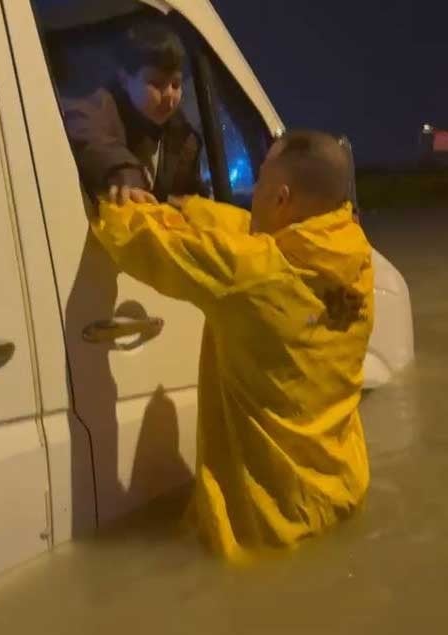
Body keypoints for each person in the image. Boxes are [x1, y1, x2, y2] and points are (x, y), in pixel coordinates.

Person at [91, 130, 374, 560]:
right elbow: (254, 230)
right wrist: (191, 208)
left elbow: (141, 244)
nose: (252, 192)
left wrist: (117, 203)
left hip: (269, 524)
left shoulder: (250, 274)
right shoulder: (355, 256)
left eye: (258, 183)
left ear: (281, 198)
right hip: (341, 491)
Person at [62, 22, 204, 201]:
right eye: (156, 83)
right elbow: (88, 132)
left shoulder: (184, 138)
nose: (170, 96)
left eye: (176, 84)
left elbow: (191, 194)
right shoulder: (100, 107)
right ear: (124, 79)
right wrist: (125, 172)